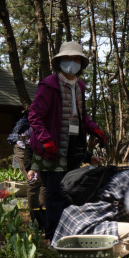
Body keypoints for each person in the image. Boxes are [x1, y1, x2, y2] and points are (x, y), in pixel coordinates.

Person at [28, 41, 108, 242]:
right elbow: (35, 116)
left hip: (72, 147)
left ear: (81, 63)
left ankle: (66, 233)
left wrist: (94, 128)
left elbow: (80, 117)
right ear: (59, 62)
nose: (71, 62)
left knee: (70, 192)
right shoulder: (49, 85)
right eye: (67, 59)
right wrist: (45, 139)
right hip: (52, 149)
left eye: (75, 59)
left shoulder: (79, 86)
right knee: (55, 194)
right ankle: (52, 236)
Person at [7, 108, 46, 230]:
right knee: (34, 181)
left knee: (45, 182)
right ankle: (35, 219)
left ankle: (44, 217)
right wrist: (30, 168)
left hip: (40, 149)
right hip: (24, 149)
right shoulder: (31, 120)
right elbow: (29, 146)